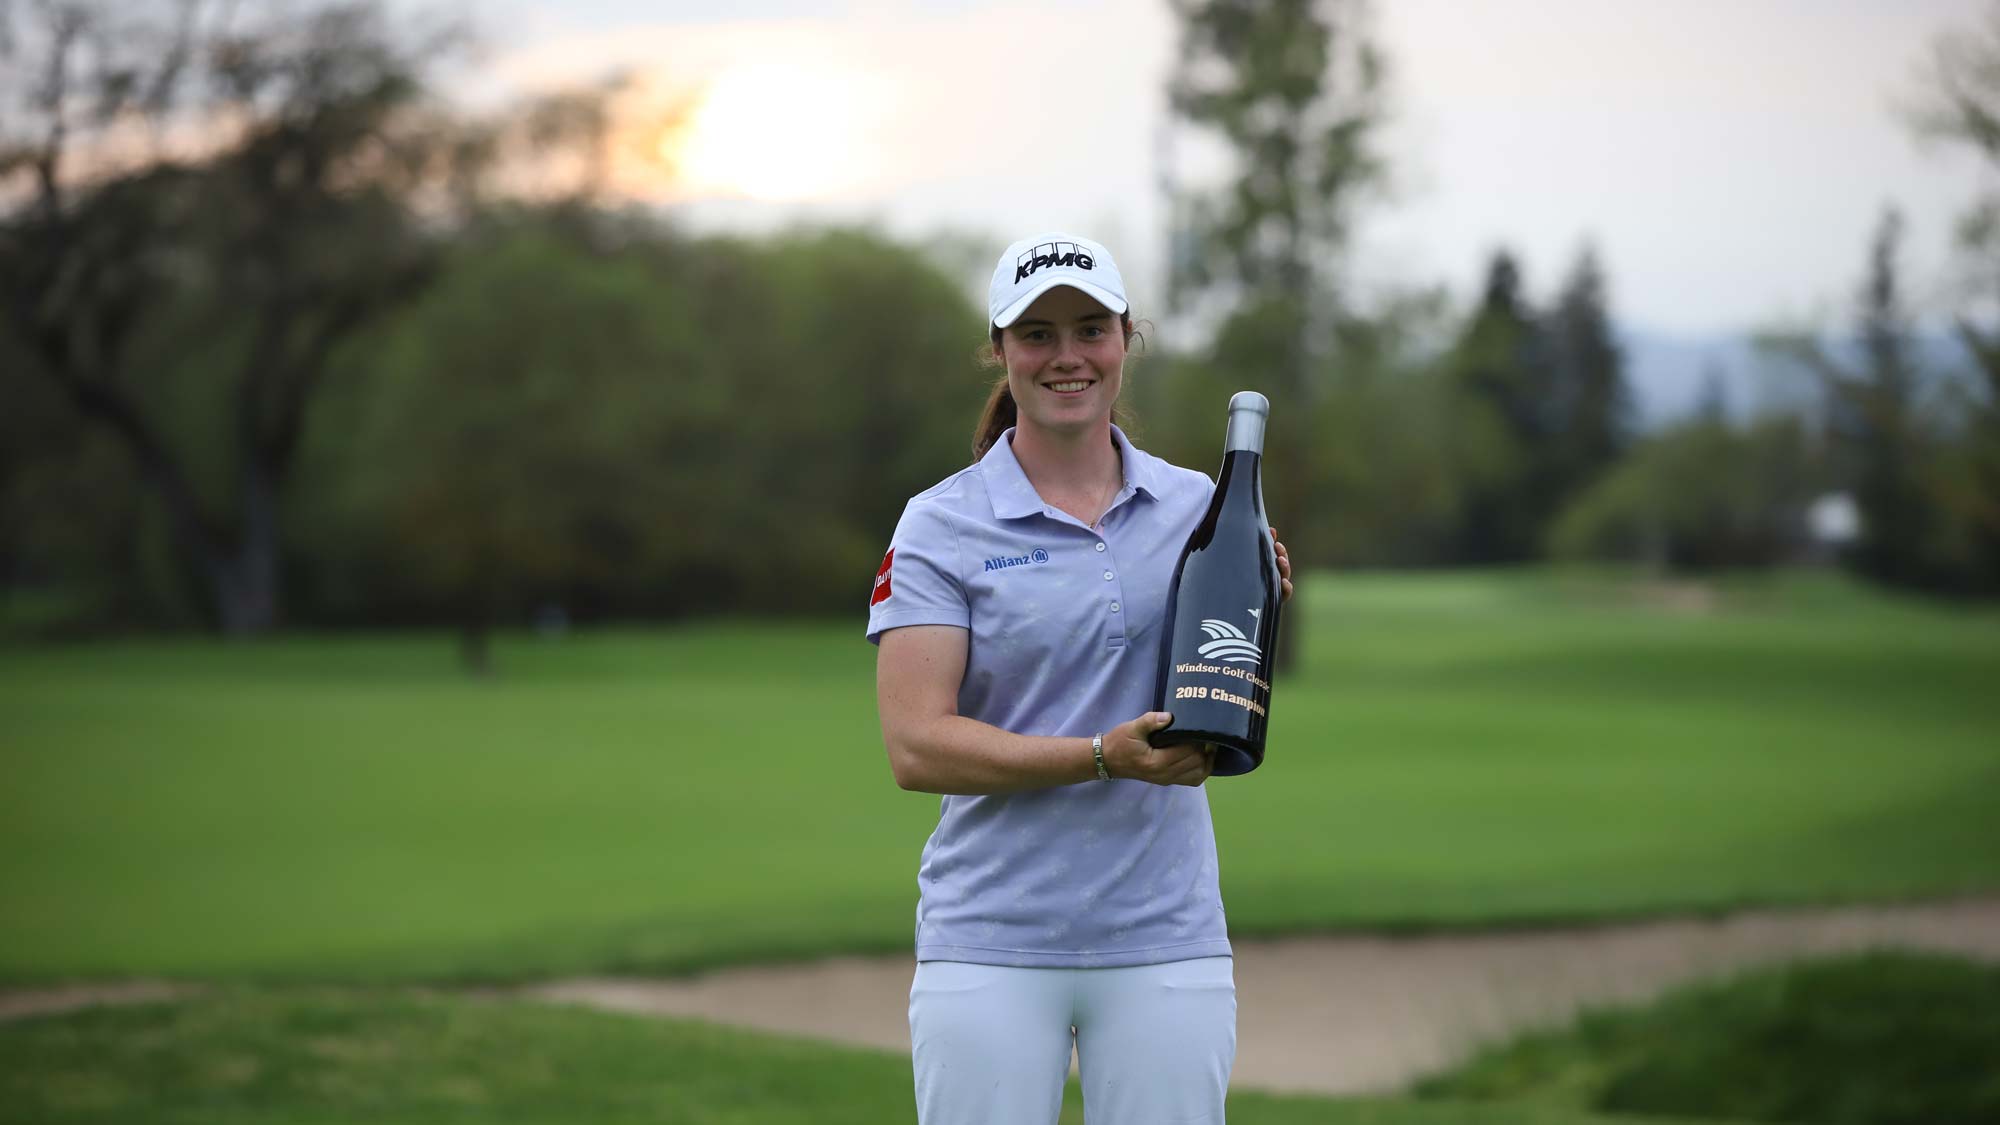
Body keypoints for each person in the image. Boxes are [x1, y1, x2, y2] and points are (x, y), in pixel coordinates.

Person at [866, 232, 1294, 1125]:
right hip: (990, 941)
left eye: (1090, 328)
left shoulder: (1199, 507)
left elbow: (1221, 679)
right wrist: (1100, 754)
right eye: (1038, 334)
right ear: (999, 349)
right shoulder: (941, 523)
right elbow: (915, 744)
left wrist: (1261, 604)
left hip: (1165, 938)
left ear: (1127, 339)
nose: (1067, 356)